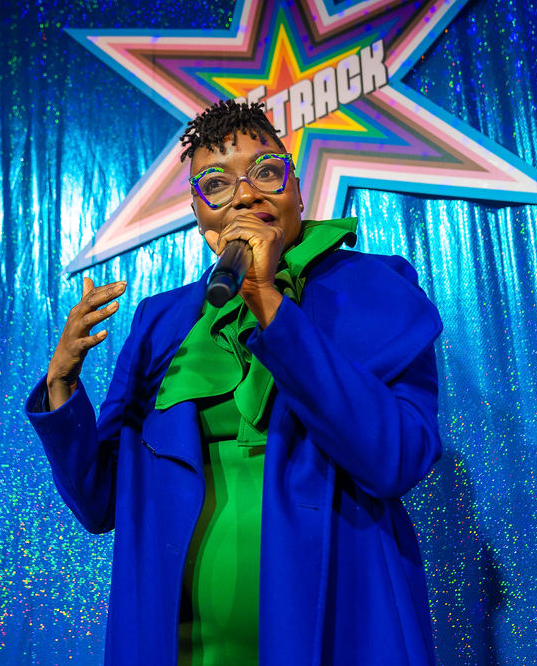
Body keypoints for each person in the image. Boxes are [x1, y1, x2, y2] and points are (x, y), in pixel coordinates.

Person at [25, 100, 444, 664]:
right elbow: (100, 502)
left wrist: (269, 303)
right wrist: (62, 385)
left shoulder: (377, 288)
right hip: (185, 646)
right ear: (200, 215)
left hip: (341, 629)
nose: (245, 196)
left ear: (298, 190)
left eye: (266, 172)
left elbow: (396, 460)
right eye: (217, 184)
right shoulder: (160, 322)